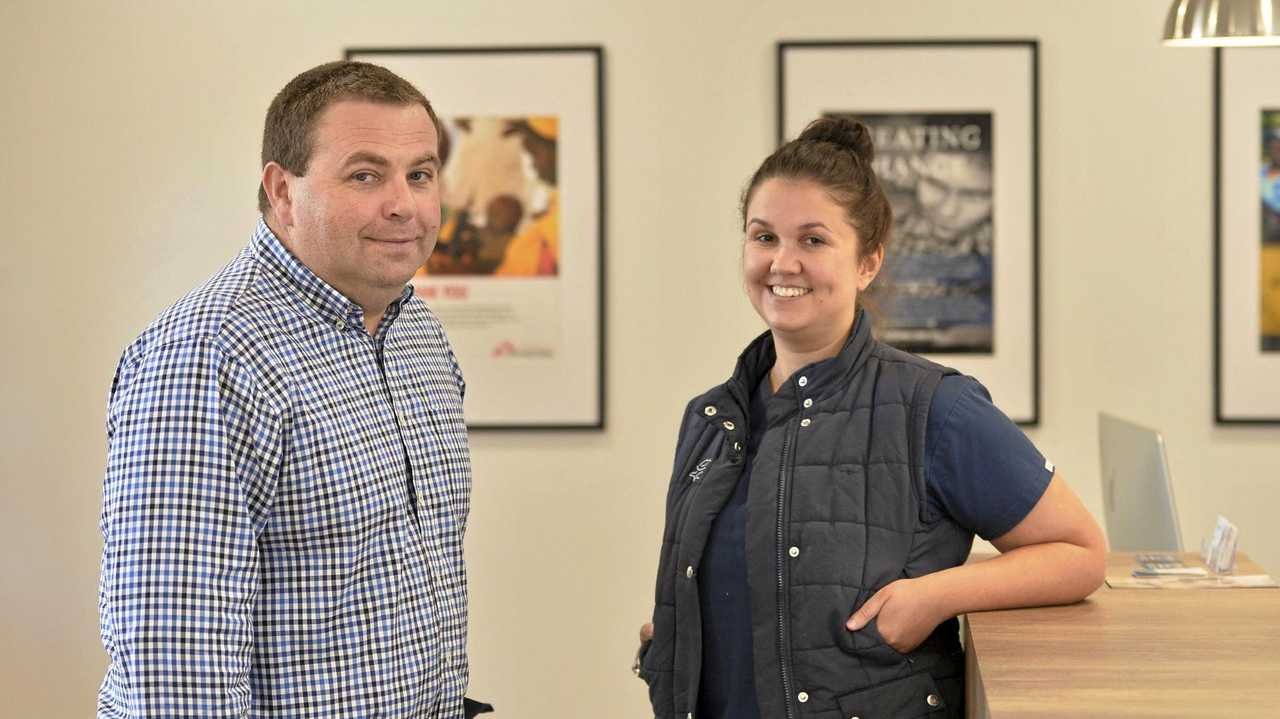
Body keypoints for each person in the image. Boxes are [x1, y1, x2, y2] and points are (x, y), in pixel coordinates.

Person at [637, 117, 1106, 719]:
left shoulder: (936, 406)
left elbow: (1079, 552)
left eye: (813, 240)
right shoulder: (709, 417)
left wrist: (935, 595)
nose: (782, 262)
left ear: (867, 263)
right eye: (763, 237)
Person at [96, 61, 489, 718]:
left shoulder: (416, 333)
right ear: (281, 191)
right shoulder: (210, 354)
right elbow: (176, 671)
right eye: (366, 175)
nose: (404, 203)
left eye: (419, 174)